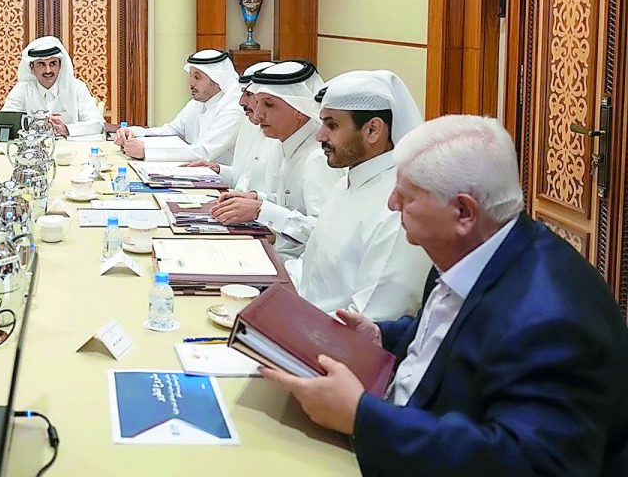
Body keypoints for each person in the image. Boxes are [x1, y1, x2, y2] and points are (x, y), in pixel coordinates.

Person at [261, 115, 628, 477]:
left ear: (463, 211)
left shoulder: (551, 320)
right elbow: (447, 335)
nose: (391, 204)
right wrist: (381, 337)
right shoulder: (470, 249)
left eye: (406, 196)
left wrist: (361, 417)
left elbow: (527, 462)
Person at [289, 70, 432, 321]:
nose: (320, 135)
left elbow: (372, 319)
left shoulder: (398, 208)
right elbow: (311, 276)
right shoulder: (346, 183)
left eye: (332, 125)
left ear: (373, 130)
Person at [209, 60, 341, 258]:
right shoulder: (285, 143)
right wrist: (255, 199)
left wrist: (261, 210)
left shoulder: (318, 156)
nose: (259, 114)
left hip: (297, 269)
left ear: (299, 109)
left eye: (269, 104)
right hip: (277, 254)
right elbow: (289, 203)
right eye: (258, 103)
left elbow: (326, 233)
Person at [114, 49, 244, 163]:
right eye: (191, 76)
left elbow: (204, 152)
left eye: (197, 77)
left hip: (222, 184)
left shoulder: (233, 110)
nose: (190, 83)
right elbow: (171, 132)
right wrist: (134, 133)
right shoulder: (196, 103)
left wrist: (147, 151)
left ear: (217, 80)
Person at [185, 59, 280, 190]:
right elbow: (244, 178)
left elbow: (279, 201)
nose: (241, 102)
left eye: (249, 94)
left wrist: (256, 203)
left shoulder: (285, 138)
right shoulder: (250, 124)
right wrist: (218, 170)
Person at [2, 36, 104, 137]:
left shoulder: (76, 87)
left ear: (60, 66)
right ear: (32, 68)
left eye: (53, 64)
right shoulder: (22, 90)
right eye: (41, 64)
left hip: (70, 150)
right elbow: (5, 123)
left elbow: (97, 124)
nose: (48, 70)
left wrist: (66, 129)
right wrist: (39, 123)